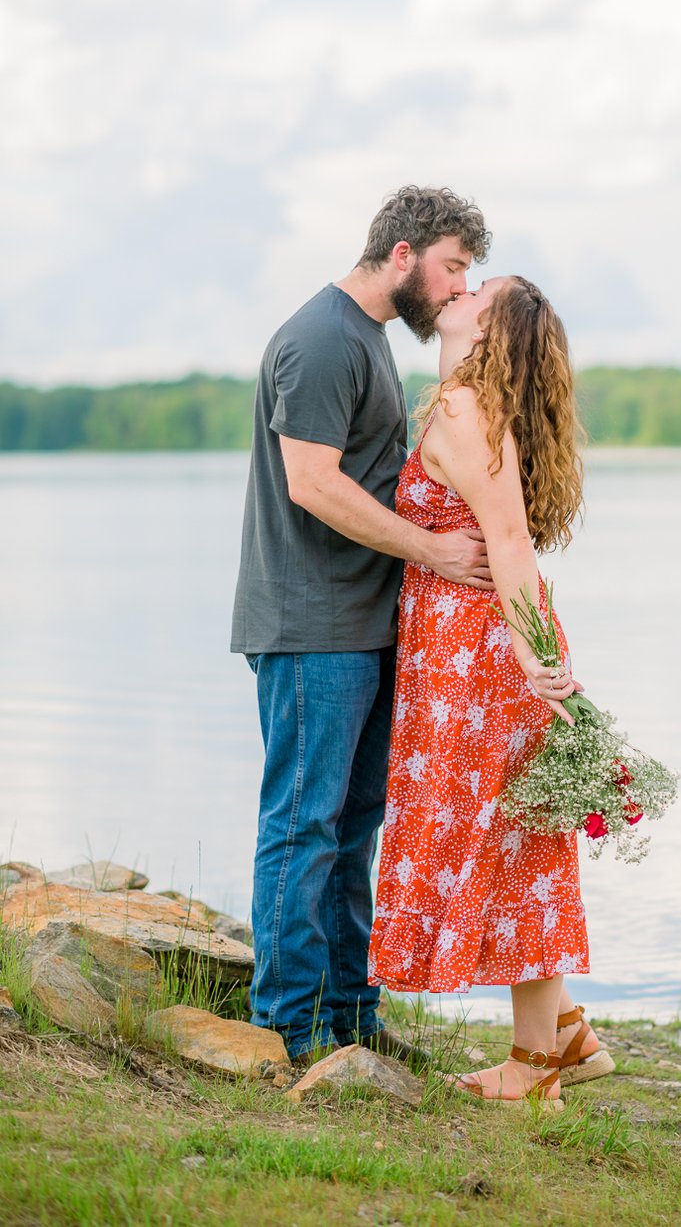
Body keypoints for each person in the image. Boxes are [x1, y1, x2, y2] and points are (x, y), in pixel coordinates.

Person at [231, 186, 492, 1062]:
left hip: (366, 626)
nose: (460, 288)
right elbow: (312, 483)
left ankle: (352, 1020)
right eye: (454, 266)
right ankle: (289, 1029)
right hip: (311, 628)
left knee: (354, 827)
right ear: (406, 253)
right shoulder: (318, 338)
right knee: (304, 825)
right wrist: (434, 550)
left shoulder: (369, 339)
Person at [368, 275, 615, 1106]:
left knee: (510, 844)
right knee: (515, 840)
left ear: (493, 328)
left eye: (483, 289)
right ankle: (567, 1040)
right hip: (467, 656)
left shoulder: (468, 409)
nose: (463, 288)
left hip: (478, 662)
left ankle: (533, 1068)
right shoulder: (466, 402)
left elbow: (508, 540)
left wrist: (529, 653)